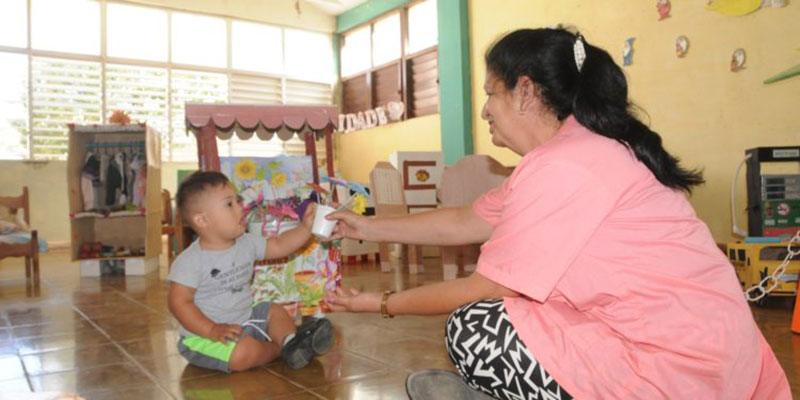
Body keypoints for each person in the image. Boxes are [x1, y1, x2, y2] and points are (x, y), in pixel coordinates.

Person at [325, 28, 790, 399]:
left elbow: (483, 288)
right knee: (531, 308)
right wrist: (365, 225)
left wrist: (379, 303)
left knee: (475, 328)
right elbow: (467, 220)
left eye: (491, 93)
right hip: (710, 351)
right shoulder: (576, 151)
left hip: (683, 369)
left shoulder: (565, 164)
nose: (485, 111)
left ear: (525, 91)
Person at [168, 171, 333, 373]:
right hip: (205, 336)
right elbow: (179, 304)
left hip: (247, 318)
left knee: (274, 311)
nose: (241, 208)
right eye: (229, 204)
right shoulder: (189, 261)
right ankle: (283, 350)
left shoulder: (245, 242)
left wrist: (306, 228)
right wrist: (211, 329)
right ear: (202, 220)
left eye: (237, 201)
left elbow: (279, 244)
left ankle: (291, 341)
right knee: (241, 354)